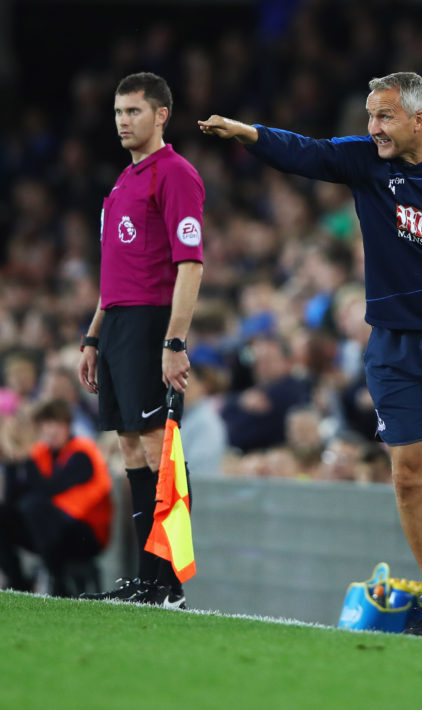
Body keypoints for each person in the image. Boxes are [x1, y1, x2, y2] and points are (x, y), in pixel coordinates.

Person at [198, 72, 422, 643]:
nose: (372, 127)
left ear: (418, 120)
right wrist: (248, 134)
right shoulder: (365, 161)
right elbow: (304, 153)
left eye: (383, 116)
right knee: (408, 479)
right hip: (396, 346)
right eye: (369, 115)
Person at [77, 72, 204, 608]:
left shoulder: (175, 175)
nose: (124, 121)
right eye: (118, 112)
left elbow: (191, 264)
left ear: (161, 116)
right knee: (130, 445)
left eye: (134, 111)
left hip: (154, 322)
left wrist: (174, 341)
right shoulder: (121, 185)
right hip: (119, 327)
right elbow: (114, 274)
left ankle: (169, 582)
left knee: (159, 447)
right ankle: (145, 578)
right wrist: (92, 335)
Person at [0, 401, 112, 596]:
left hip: (86, 531)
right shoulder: (40, 454)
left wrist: (26, 458)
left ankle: (56, 580)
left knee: (33, 507)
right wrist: (12, 461)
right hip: (50, 529)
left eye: (56, 424)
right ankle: (18, 582)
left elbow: (50, 488)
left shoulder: (82, 451)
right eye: (46, 425)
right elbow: (14, 500)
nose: (51, 430)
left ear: (67, 425)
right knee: (5, 513)